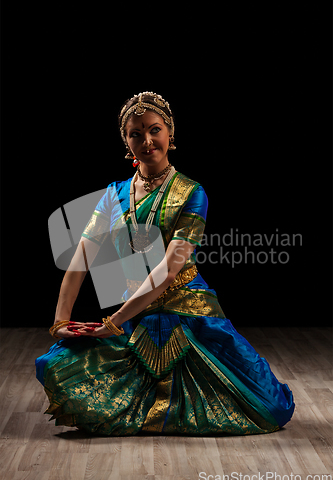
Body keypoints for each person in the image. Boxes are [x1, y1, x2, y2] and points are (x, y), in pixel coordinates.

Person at [35, 92, 295, 436]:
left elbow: (168, 271)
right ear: (126, 142)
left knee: (270, 406)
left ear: (170, 134)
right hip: (137, 313)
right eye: (135, 133)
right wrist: (60, 322)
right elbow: (80, 260)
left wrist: (112, 323)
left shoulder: (191, 193)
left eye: (154, 130)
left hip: (188, 310)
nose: (147, 140)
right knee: (57, 363)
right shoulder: (114, 195)